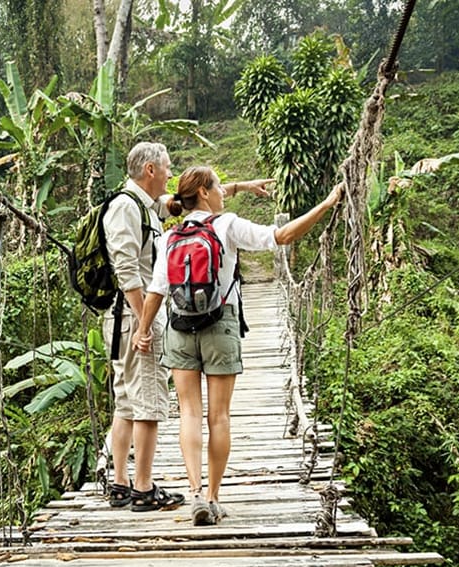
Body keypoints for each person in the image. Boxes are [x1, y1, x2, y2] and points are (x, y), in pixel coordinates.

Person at [131, 165, 343, 525]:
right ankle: (213, 497)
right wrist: (325, 204)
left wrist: (143, 330)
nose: (222, 193)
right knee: (220, 416)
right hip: (220, 324)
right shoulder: (226, 225)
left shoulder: (170, 237)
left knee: (189, 414)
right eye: (218, 187)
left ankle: (195, 492)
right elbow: (283, 235)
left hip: (180, 328)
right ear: (203, 193)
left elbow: (156, 291)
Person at [104, 144, 273, 512]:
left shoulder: (148, 206)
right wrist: (143, 325)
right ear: (150, 170)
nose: (170, 174)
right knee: (146, 401)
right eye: (166, 168)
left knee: (128, 401)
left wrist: (241, 187)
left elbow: (195, 200)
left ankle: (121, 484)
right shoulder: (125, 207)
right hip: (136, 315)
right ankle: (144, 490)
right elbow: (128, 272)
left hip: (154, 318)